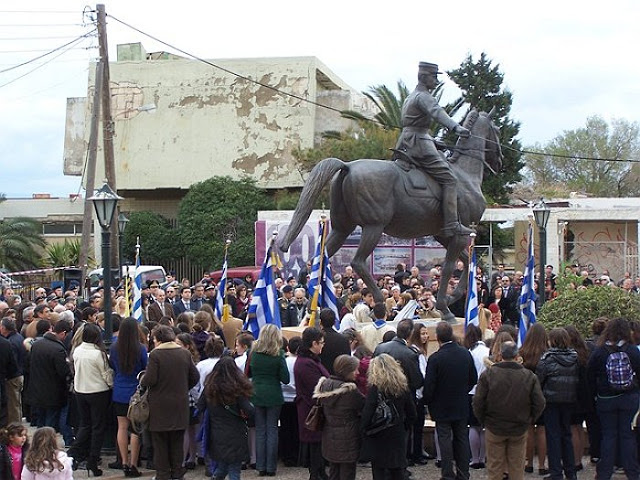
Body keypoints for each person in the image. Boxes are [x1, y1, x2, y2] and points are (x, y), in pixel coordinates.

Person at [394, 61, 472, 238]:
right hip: (419, 144)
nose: (436, 81)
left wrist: (434, 142)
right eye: (434, 77)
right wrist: (456, 127)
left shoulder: (410, 97)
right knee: (450, 179)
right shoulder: (424, 96)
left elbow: (414, 124)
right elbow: (437, 112)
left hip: (408, 141)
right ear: (424, 77)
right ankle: (452, 224)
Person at [473, 341, 546, 480]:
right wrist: (530, 419)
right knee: (517, 468)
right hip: (519, 427)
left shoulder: (488, 375)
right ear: (517, 355)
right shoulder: (529, 376)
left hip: (494, 426)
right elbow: (540, 402)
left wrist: (483, 420)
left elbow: (478, 401)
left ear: (500, 355)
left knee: (494, 467)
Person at [141, 325, 199, 480]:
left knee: (160, 443)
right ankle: (177, 472)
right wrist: (182, 387)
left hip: (159, 405)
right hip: (180, 404)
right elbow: (195, 376)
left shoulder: (155, 355)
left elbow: (150, 379)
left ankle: (163, 474)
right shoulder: (184, 354)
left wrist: (142, 378)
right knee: (177, 441)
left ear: (158, 340)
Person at [587, 317, 640, 480]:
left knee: (608, 435)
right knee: (627, 436)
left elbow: (590, 375)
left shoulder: (600, 351)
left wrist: (594, 395)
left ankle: (604, 473)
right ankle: (632, 472)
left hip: (606, 398)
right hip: (629, 397)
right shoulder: (632, 350)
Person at [424, 321, 477, 480]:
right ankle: (463, 473)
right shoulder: (465, 353)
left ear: (437, 338)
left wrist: (428, 400)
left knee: (445, 439)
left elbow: (430, 385)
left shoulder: (435, 358)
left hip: (441, 405)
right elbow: (473, 378)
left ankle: (447, 473)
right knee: (461, 438)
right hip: (460, 403)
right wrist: (462, 391)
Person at [66, 323, 113, 475]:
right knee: (98, 427)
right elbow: (106, 374)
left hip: (81, 391)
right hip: (98, 391)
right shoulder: (98, 353)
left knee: (85, 425)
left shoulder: (78, 351)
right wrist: (112, 383)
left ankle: (73, 452)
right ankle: (92, 459)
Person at [361, 353, 417, 480]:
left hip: (379, 434)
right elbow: (412, 413)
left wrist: (364, 430)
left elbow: (367, 413)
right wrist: (404, 426)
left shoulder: (375, 389)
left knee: (379, 471)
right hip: (397, 433)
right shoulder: (402, 387)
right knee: (398, 470)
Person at [199, 355, 255, 480]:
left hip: (216, 433)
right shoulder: (237, 390)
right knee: (234, 469)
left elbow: (200, 406)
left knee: (223, 465)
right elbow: (250, 411)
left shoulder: (209, 388)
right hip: (236, 433)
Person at [247, 324, 290, 476]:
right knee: (272, 430)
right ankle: (271, 467)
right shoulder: (279, 354)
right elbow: (285, 379)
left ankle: (261, 466)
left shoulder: (252, 352)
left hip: (257, 393)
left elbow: (248, 373)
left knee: (260, 430)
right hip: (273, 394)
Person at [536, 328, 579, 480]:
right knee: (566, 434)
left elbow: (538, 380)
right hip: (569, 400)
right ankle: (571, 471)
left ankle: (556, 472)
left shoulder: (547, 358)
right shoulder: (575, 357)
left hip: (551, 401)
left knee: (553, 436)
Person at [313, 354, 365, 480]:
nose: (357, 372)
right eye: (355, 369)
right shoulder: (351, 391)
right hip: (348, 436)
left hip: (329, 435)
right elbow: (364, 407)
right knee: (347, 472)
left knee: (334, 470)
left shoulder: (324, 386)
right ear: (347, 371)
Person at [108, 317, 148, 477]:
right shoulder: (140, 348)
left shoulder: (114, 347)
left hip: (119, 390)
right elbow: (145, 366)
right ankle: (133, 464)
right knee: (135, 430)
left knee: (122, 427)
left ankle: (123, 461)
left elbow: (113, 365)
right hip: (135, 392)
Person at [294, 327, 329, 480]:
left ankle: (320, 473)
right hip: (312, 410)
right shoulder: (306, 363)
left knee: (317, 445)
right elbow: (315, 389)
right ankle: (316, 475)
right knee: (315, 445)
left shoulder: (309, 361)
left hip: (313, 409)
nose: (323, 345)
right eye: (321, 343)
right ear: (313, 344)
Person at [519, 323, 549, 475]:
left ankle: (529, 462)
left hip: (526, 396)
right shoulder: (547, 354)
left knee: (529, 430)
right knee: (542, 431)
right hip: (543, 396)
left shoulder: (523, 353)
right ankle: (542, 465)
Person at [464, 324, 490, 469]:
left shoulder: (470, 353)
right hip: (486, 392)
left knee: (473, 426)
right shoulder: (488, 350)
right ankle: (482, 457)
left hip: (472, 391)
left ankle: (475, 459)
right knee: (483, 427)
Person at [317, 308, 350, 375]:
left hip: (320, 376)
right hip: (339, 376)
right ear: (335, 322)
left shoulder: (316, 340)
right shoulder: (343, 339)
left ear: (320, 322)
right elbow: (347, 360)